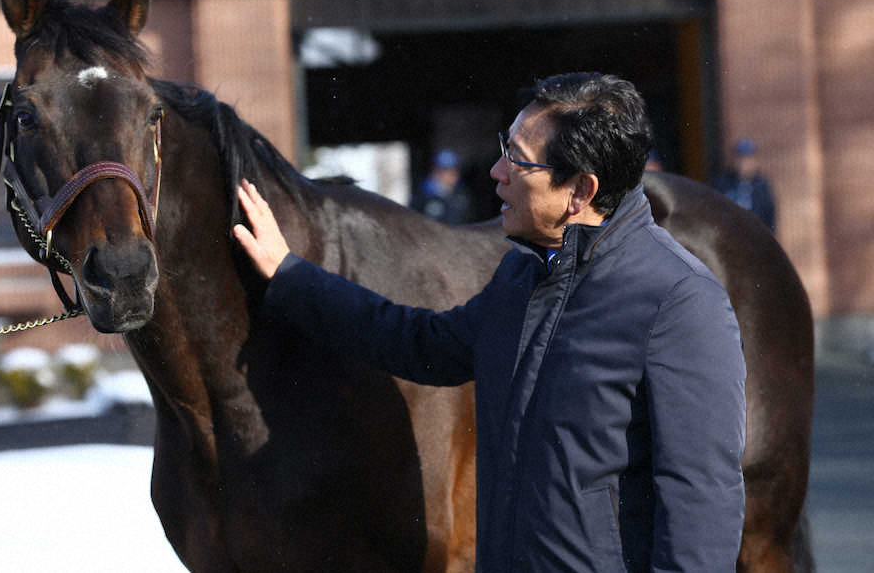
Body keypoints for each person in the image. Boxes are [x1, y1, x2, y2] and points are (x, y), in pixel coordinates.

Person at [234, 72, 746, 572]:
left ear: (580, 192)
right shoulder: (522, 277)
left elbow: (700, 507)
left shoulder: (679, 304)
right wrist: (290, 275)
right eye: (505, 147)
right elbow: (417, 342)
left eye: (518, 160)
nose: (497, 172)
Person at [713, 139, 777, 232]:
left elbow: (769, 217)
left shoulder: (762, 186)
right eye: (740, 158)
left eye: (748, 159)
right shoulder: (723, 183)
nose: (743, 163)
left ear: (755, 161)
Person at [409, 148, 474, 223]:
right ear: (434, 171)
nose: (449, 175)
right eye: (444, 171)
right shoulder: (422, 196)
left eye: (453, 171)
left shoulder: (462, 196)